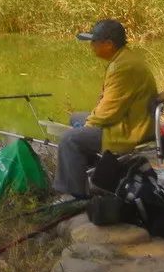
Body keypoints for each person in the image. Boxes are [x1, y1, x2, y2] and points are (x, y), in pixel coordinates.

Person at [53, 19, 158, 198]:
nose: (91, 46)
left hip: (129, 129)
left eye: (94, 42)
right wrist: (89, 119)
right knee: (75, 118)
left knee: (69, 139)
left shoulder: (123, 67)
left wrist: (89, 124)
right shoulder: (124, 58)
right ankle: (95, 172)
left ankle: (74, 194)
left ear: (108, 44)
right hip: (128, 119)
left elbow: (109, 111)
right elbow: (111, 103)